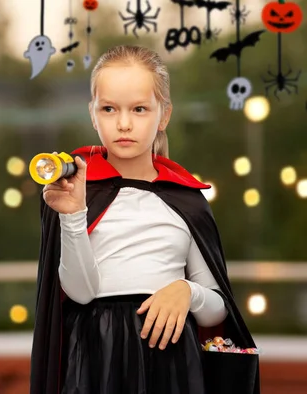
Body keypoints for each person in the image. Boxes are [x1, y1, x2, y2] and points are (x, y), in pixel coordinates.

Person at [30, 45, 260, 394]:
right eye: (109, 109)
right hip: (95, 359)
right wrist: (74, 216)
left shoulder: (186, 199)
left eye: (139, 109)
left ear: (163, 114)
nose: (124, 123)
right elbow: (79, 292)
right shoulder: (72, 189)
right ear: (93, 114)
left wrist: (188, 293)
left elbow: (216, 311)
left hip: (171, 364)